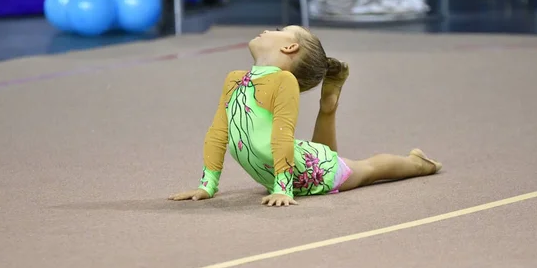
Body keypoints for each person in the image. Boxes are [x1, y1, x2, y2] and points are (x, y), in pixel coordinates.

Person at [168, 26, 441, 207]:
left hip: (300, 172)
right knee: (325, 154)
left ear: (289, 48)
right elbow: (218, 132)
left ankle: (417, 164)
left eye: (279, 31)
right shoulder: (234, 80)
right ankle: (328, 107)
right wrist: (207, 186)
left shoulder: (283, 81)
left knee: (367, 170)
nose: (267, 30)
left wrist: (283, 188)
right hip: (286, 167)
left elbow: (282, 134)